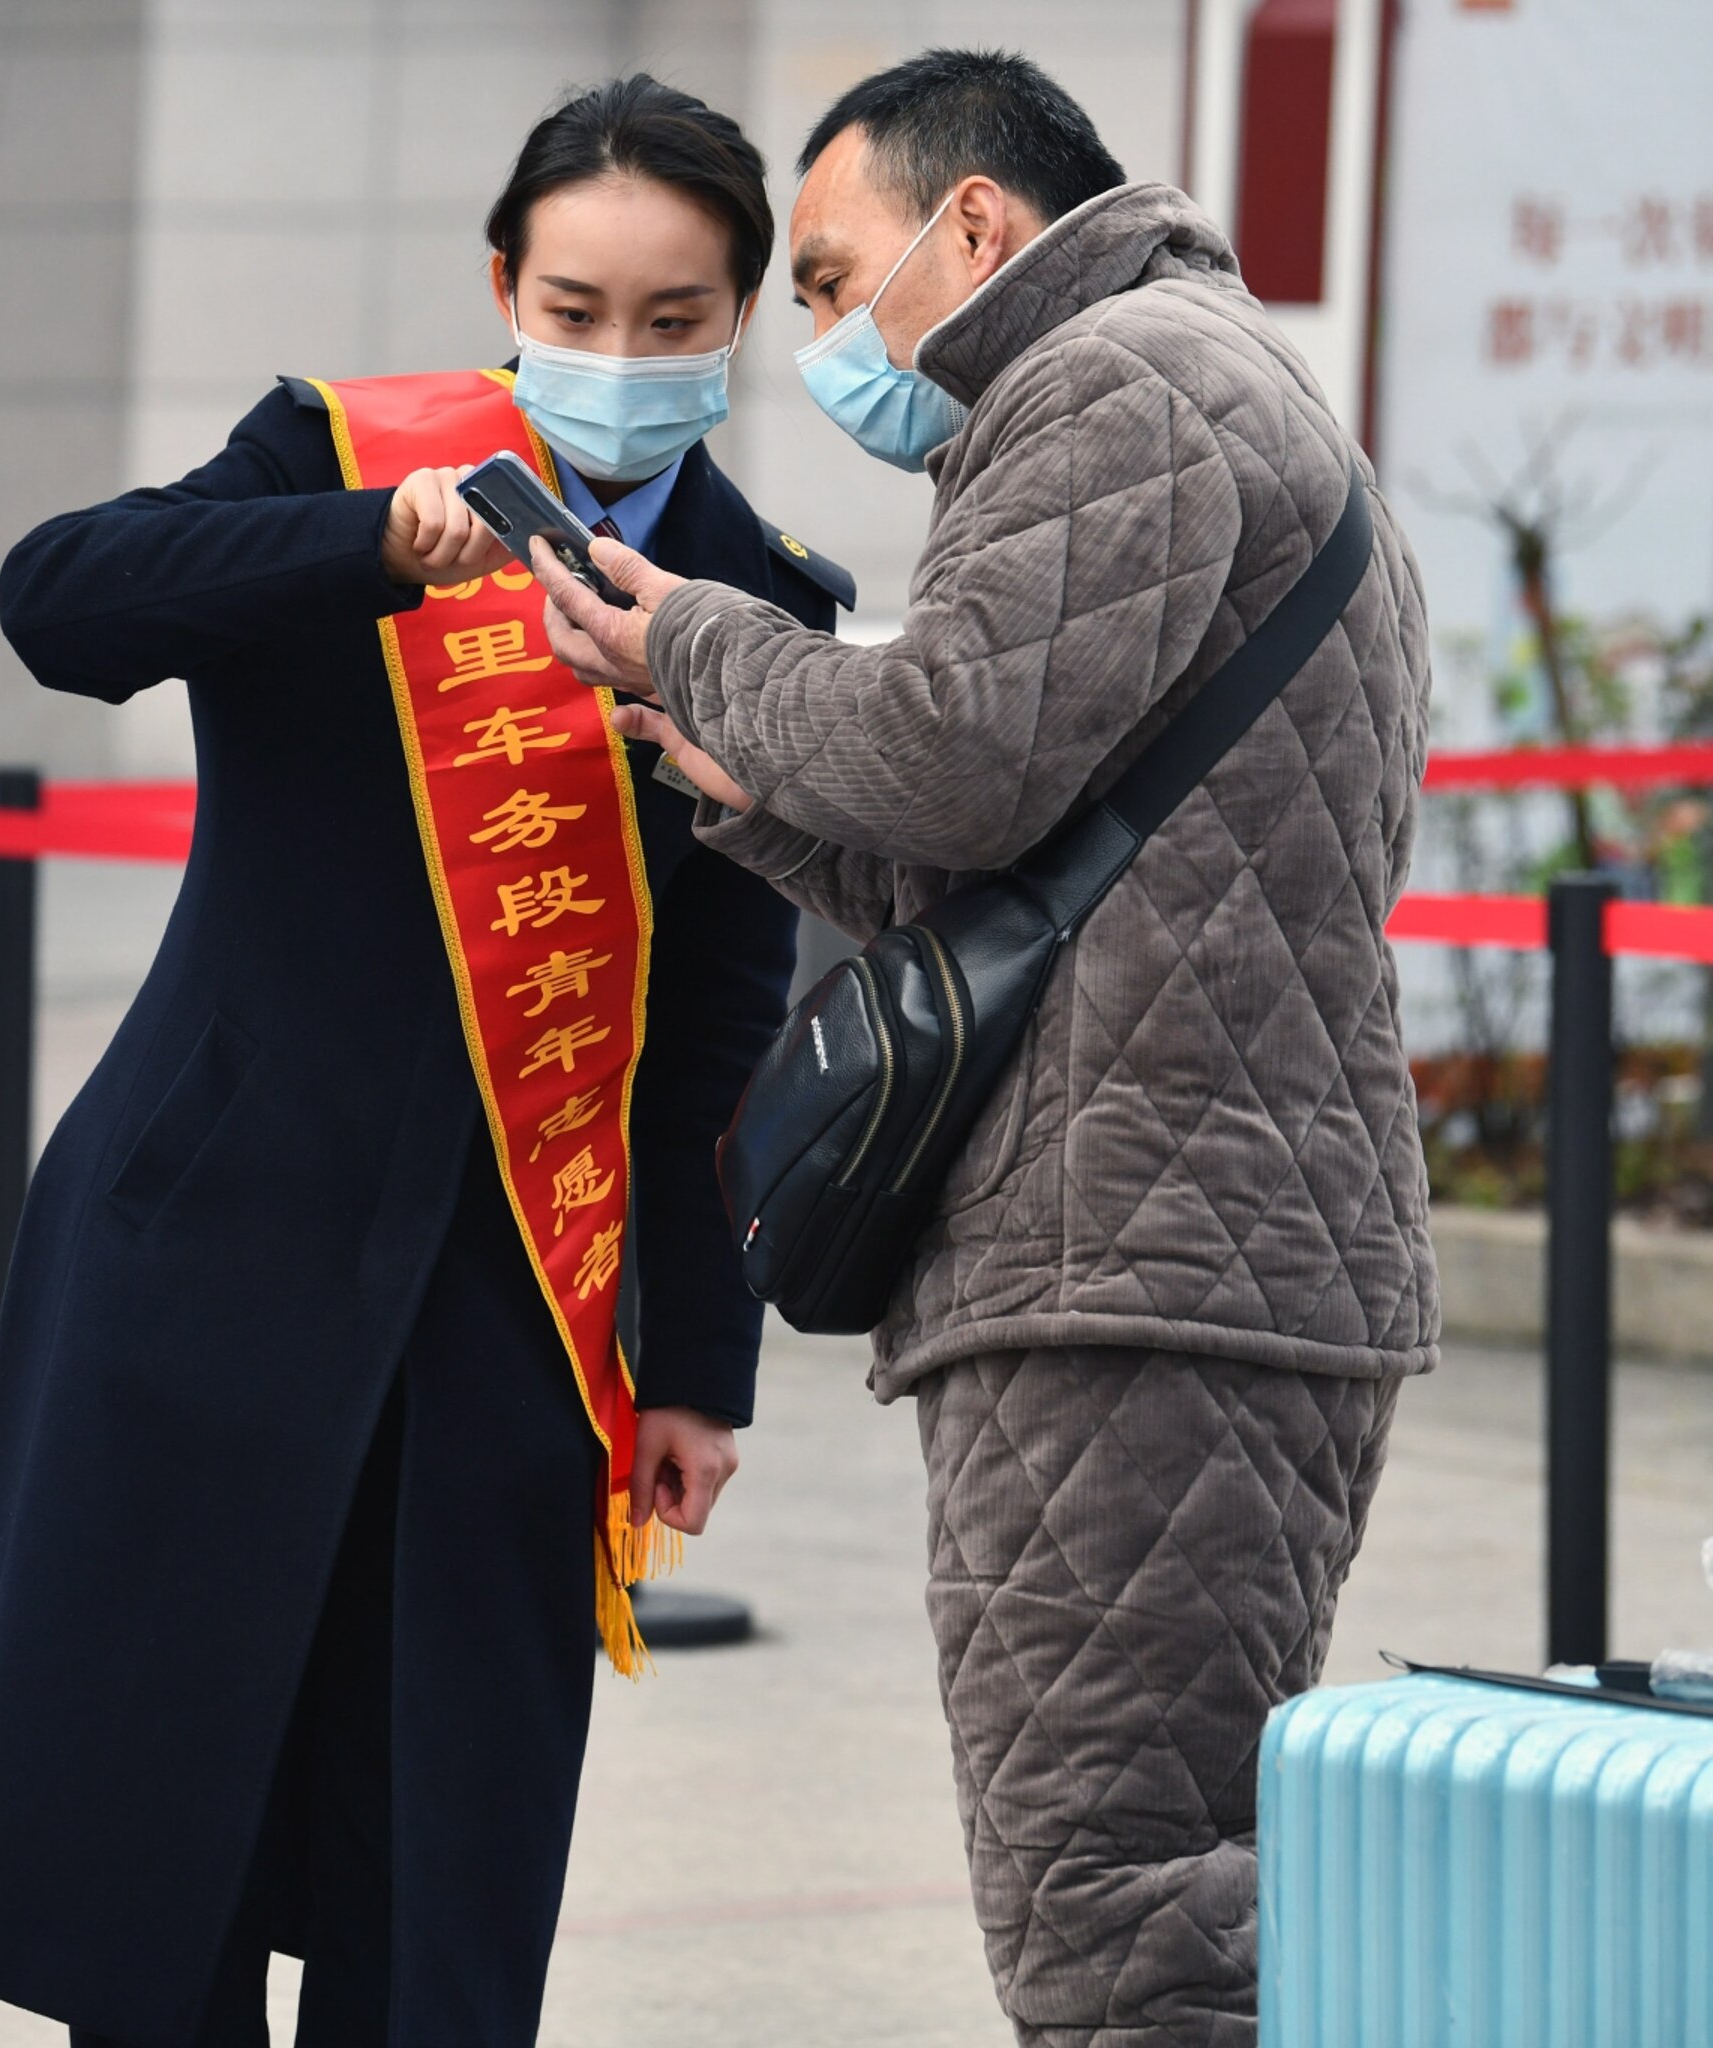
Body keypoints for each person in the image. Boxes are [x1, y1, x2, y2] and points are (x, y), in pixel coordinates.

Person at [0, 76, 850, 2046]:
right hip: (207, 1253)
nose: (616, 360)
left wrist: (696, 1370)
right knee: (159, 1848)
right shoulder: (340, 456)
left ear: (739, 321)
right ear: (503, 283)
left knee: (439, 1870)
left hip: (511, 1315)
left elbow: (711, 1049)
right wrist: (355, 547)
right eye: (576, 308)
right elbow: (59, 602)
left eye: (673, 323)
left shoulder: (765, 618)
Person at [542, 49, 1434, 2048]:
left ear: (975, 222)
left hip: (1145, 1261)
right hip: (1198, 1241)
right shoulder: (1203, 373)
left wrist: (692, 638)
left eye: (839, 277)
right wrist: (745, 783)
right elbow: (1028, 881)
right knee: (1181, 1866)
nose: (832, 339)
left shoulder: (1111, 383)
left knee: (1115, 1896)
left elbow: (948, 749)